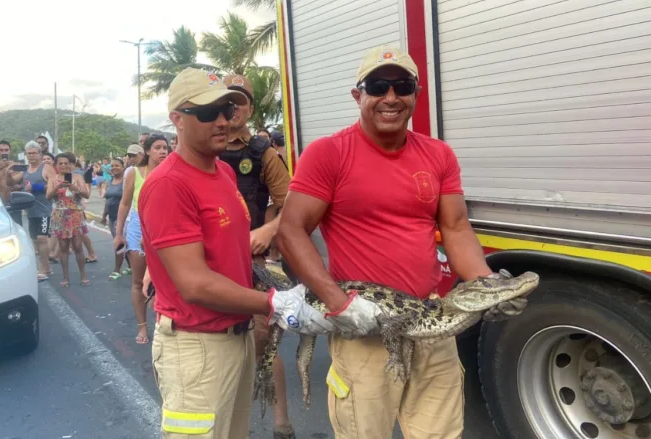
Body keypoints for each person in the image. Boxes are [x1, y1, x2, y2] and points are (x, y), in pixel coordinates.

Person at [275, 45, 530, 439]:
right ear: (358, 95)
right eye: (378, 86)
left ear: (416, 93)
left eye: (402, 86)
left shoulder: (439, 154)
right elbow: (290, 231)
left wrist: (488, 284)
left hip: (431, 324)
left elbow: (457, 229)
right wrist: (337, 302)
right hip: (364, 330)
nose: (390, 98)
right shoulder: (328, 153)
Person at [139, 67, 333, 439]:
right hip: (197, 349)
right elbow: (194, 284)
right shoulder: (168, 184)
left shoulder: (223, 175)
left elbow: (227, 247)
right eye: (209, 112)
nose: (223, 121)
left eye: (228, 110)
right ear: (177, 119)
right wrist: (275, 303)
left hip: (237, 339)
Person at [219, 73, 295, 438]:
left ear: (250, 108)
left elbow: (291, 203)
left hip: (251, 262)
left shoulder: (262, 152)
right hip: (206, 261)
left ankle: (282, 422)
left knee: (264, 339)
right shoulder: (204, 146)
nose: (233, 108)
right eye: (226, 101)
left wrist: (269, 231)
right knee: (216, 339)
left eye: (240, 101)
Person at [113, 140, 167, 344]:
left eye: (165, 148)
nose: (162, 152)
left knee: (164, 280)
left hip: (163, 227)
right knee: (138, 281)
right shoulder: (134, 173)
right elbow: (125, 203)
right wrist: (119, 234)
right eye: (158, 148)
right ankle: (142, 327)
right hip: (138, 226)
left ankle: (161, 324)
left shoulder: (171, 171)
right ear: (147, 151)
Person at [47, 153, 91, 287]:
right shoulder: (52, 179)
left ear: (70, 165)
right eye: (60, 163)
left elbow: (87, 194)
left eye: (66, 163)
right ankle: (65, 277)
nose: (63, 166)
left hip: (75, 214)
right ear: (56, 165)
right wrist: (57, 187)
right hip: (60, 215)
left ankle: (83, 275)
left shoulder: (77, 177)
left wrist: (75, 188)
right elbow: (48, 196)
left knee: (78, 246)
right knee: (63, 247)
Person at [19, 140, 56, 281]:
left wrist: (35, 188)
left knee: (42, 239)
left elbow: (53, 186)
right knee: (35, 241)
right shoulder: (26, 169)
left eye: (34, 153)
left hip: (44, 209)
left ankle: (43, 270)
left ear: (40, 154)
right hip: (31, 210)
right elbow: (19, 184)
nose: (31, 156)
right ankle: (47, 268)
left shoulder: (46, 168)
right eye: (29, 153)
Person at [101, 158, 129, 280]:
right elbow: (108, 201)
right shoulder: (110, 181)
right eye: (112, 166)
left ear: (123, 167)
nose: (114, 168)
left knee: (119, 244)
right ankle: (131, 265)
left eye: (117, 165)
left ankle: (117, 269)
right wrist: (103, 215)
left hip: (122, 218)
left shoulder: (126, 182)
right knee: (122, 244)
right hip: (111, 218)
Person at [0, 140, 24, 225]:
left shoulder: (16, 166)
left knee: (16, 230)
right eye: (1, 150)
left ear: (10, 151)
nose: (4, 152)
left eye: (6, 150)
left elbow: (17, 183)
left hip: (14, 204)